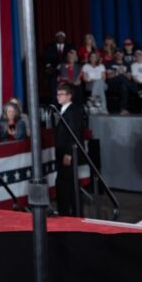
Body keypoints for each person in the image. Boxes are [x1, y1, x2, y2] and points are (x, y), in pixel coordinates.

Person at [54, 84, 84, 216]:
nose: (58, 97)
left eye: (61, 94)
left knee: (67, 183)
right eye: (57, 94)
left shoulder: (72, 111)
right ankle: (67, 211)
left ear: (69, 96)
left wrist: (68, 153)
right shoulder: (65, 110)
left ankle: (71, 212)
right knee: (65, 183)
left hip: (68, 153)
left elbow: (74, 133)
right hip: (63, 153)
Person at [42, 30, 74, 104]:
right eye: (59, 36)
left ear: (64, 38)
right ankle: (55, 103)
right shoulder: (50, 47)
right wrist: (49, 66)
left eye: (62, 36)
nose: (60, 38)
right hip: (53, 70)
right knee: (53, 81)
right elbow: (46, 58)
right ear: (56, 38)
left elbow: (72, 57)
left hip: (65, 69)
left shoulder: (69, 47)